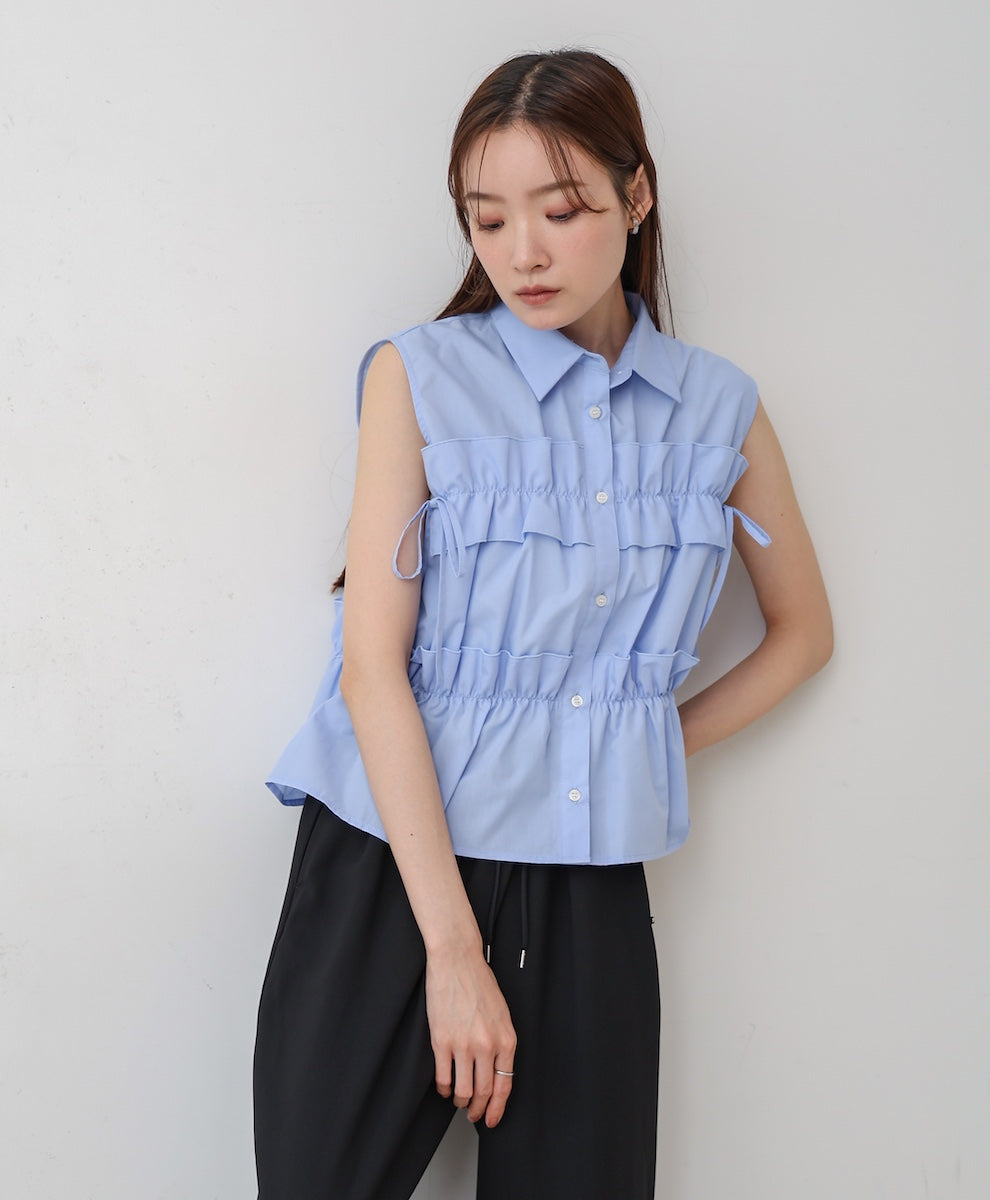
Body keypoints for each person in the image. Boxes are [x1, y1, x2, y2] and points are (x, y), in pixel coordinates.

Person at [253, 48, 832, 1200]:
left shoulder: (717, 408)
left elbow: (802, 635)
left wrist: (640, 742)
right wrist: (451, 953)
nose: (522, 251)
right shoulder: (418, 376)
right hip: (388, 863)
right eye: (488, 218)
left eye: (561, 211)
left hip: (587, 878)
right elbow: (372, 673)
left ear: (636, 194)